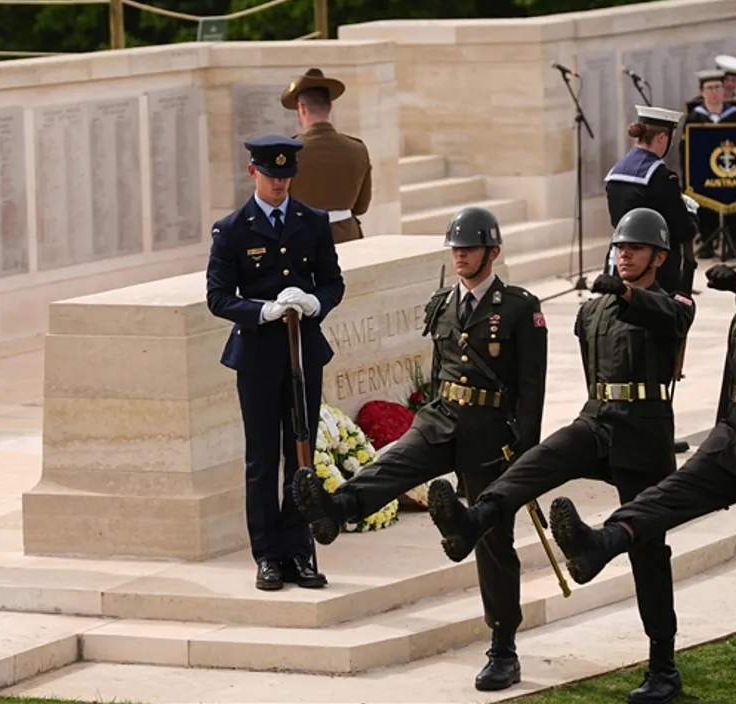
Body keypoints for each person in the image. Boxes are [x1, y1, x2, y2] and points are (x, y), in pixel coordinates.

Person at [547, 220, 736, 704]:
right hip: (732, 441)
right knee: (661, 498)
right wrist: (718, 435)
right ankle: (601, 542)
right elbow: (731, 385)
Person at [427, 207, 696, 704]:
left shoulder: (672, 298)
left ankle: (663, 666)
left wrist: (628, 294)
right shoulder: (591, 310)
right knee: (538, 460)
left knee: (649, 549)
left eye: (634, 249)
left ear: (659, 256)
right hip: (598, 418)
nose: (623, 255)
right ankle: (477, 519)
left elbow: (672, 317)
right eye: (619, 248)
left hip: (646, 431)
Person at [291, 207, 548, 692]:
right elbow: (438, 371)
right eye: (455, 248)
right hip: (441, 418)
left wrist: (526, 455)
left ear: (492, 253)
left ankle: (503, 648)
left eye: (468, 249)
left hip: (490, 432)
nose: (460, 256)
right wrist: (430, 410)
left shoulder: (519, 308)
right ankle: (336, 507)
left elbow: (532, 389)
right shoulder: (442, 304)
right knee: (393, 462)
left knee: (494, 541)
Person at [206, 134, 346, 592]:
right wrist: (261, 310)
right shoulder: (233, 229)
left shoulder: (312, 221)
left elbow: (332, 284)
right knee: (263, 460)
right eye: (271, 176)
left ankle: (298, 552)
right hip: (259, 355)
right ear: (253, 173)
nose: (279, 184)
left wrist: (313, 303)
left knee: (301, 455)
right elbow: (218, 297)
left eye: (286, 176)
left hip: (303, 352)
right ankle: (267, 554)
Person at [604, 105, 698, 296]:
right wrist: (692, 216)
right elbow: (681, 229)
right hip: (655, 270)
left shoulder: (616, 172)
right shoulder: (662, 177)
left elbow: (617, 220)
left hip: (621, 259)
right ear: (662, 138)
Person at [281, 68, 373, 244]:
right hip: (348, 237)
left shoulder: (289, 152)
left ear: (301, 109)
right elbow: (361, 206)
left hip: (303, 239)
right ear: (329, 107)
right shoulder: (357, 148)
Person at [687, 70, 736, 259]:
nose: (714, 92)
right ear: (702, 92)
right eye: (709, 88)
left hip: (732, 172)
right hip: (704, 172)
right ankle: (707, 242)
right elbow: (686, 149)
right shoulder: (694, 117)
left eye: (717, 87)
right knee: (705, 204)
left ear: (723, 91)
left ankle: (734, 243)